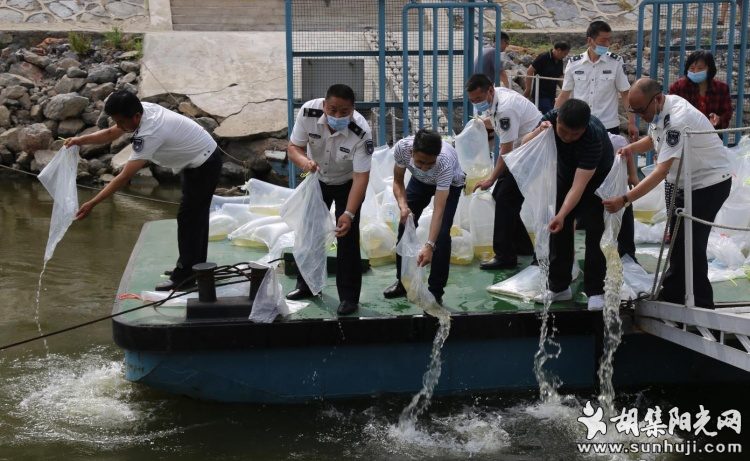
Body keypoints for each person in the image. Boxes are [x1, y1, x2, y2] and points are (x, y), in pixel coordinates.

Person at [66, 90, 221, 292]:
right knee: (194, 217)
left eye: (121, 121)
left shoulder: (150, 133)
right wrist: (80, 140)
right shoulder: (141, 111)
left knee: (189, 218)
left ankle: (185, 276)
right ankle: (194, 268)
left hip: (204, 163)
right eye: (116, 120)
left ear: (136, 117)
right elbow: (112, 133)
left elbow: (123, 177)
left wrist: (92, 203)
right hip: (197, 159)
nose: (119, 126)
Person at [603, 78, 732, 309]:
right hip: (683, 181)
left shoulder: (678, 119)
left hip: (708, 183)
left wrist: (625, 200)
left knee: (691, 243)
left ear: (657, 99)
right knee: (677, 241)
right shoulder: (659, 111)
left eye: (642, 110)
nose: (640, 116)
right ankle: (675, 294)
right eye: (635, 111)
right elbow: (653, 139)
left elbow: (661, 171)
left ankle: (701, 303)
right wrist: (630, 148)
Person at [285, 84, 372, 316]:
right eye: (332, 110)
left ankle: (349, 298)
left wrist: (349, 214)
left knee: (347, 237)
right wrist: (304, 163)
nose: (337, 116)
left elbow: (361, 176)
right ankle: (306, 286)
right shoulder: (307, 112)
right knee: (310, 231)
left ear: (353, 110)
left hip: (347, 184)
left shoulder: (361, 132)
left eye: (344, 112)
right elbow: (293, 148)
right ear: (324, 105)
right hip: (316, 178)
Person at [522, 99, 614, 310]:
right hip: (565, 172)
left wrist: (562, 214)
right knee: (559, 231)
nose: (568, 138)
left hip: (595, 180)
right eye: (563, 132)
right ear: (558, 120)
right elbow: (523, 144)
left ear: (583, 128)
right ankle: (559, 286)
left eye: (575, 134)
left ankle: (596, 290)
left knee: (595, 231)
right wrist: (539, 132)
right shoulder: (550, 119)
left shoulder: (593, 138)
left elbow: (579, 187)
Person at [466, 73, 541, 270]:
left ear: (489, 90)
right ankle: (522, 246)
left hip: (531, 152)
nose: (476, 104)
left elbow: (506, 151)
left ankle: (505, 256)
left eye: (479, 99)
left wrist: (491, 178)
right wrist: (480, 124)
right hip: (522, 150)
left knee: (505, 198)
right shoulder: (496, 98)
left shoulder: (505, 107)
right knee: (502, 196)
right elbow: (494, 121)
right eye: (472, 100)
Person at [382, 129, 466, 305]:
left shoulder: (444, 163)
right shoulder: (402, 148)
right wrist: (403, 207)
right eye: (420, 162)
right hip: (419, 181)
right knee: (405, 225)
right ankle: (402, 282)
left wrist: (429, 245)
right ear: (411, 152)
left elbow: (439, 209)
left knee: (442, 236)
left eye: (430, 163)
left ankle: (435, 291)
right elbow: (398, 181)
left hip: (450, 184)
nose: (425, 167)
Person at [556, 20, 638, 142]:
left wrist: (632, 122)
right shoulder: (574, 63)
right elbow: (564, 95)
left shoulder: (616, 62)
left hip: (608, 127)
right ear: (590, 40)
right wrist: (553, 119)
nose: (607, 44)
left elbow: (625, 94)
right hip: (580, 127)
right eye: (603, 40)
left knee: (607, 161)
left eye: (609, 40)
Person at [668, 50, 733, 130]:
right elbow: (670, 112)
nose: (695, 72)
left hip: (712, 136)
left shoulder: (721, 88)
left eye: (700, 68)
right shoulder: (678, 87)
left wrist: (719, 119)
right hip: (686, 136)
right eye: (692, 68)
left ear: (709, 69)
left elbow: (727, 112)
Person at [523, 42, 570, 114]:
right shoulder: (543, 57)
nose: (565, 56)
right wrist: (528, 89)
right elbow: (530, 70)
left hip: (551, 95)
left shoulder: (560, 60)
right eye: (564, 54)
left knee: (553, 113)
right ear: (559, 50)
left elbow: (560, 77)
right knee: (547, 115)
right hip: (541, 95)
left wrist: (565, 90)